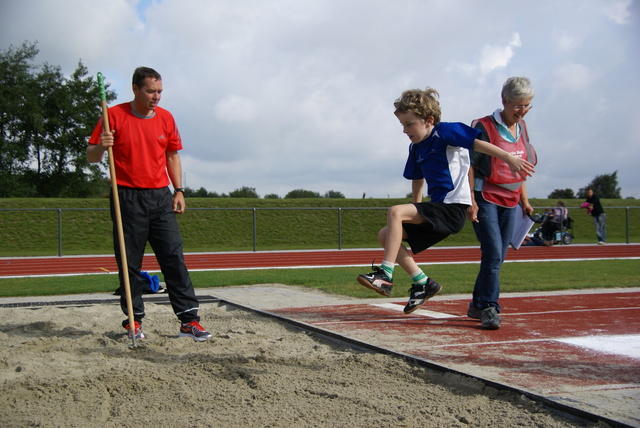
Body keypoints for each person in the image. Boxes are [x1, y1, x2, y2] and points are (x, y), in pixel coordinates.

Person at [357, 87, 534, 316]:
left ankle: (385, 276)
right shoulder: (416, 147)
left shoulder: (446, 132)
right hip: (437, 209)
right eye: (402, 125)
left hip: (453, 208)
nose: (404, 130)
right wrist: (415, 210)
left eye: (409, 124)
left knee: (395, 212)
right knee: (386, 233)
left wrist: (509, 157)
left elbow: (479, 145)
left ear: (429, 120)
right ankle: (422, 283)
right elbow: (418, 179)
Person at [87, 67, 211, 342]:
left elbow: (172, 157)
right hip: (127, 197)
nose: (156, 97)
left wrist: (178, 190)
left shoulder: (166, 118)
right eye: (150, 91)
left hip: (160, 197)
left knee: (174, 259)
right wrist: (101, 145)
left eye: (159, 92)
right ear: (135, 89)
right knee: (129, 263)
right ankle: (134, 322)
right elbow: (92, 157)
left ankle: (189, 320)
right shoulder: (113, 116)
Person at [467, 77, 537, 330]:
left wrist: (524, 201)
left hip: (511, 200)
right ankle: (489, 307)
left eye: (527, 105)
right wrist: (471, 201)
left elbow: (522, 168)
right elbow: (470, 166)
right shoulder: (483, 126)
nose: (523, 111)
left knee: (498, 255)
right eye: (518, 105)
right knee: (494, 252)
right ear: (504, 101)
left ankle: (477, 304)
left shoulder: (523, 128)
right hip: (486, 197)